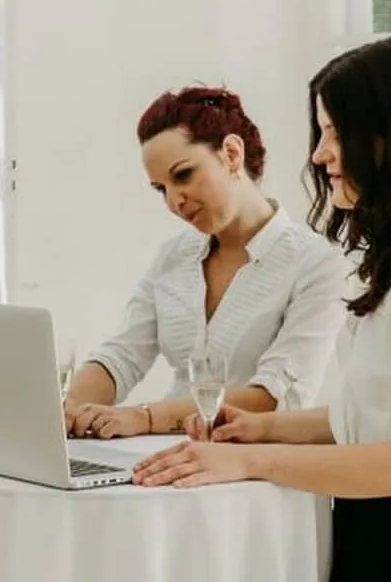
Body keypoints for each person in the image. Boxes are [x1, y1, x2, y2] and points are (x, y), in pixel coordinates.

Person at [133, 36, 391, 582]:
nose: (320, 154)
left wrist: (247, 461)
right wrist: (261, 429)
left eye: (335, 133)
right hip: (379, 540)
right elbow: (376, 418)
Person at [62, 86, 348, 439]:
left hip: (252, 461)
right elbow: (122, 356)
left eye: (182, 175)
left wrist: (146, 417)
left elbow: (274, 399)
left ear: (231, 154)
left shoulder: (317, 264)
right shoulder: (174, 256)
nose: (173, 202)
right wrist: (68, 407)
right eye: (161, 189)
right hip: (163, 453)